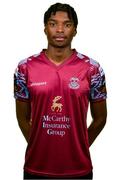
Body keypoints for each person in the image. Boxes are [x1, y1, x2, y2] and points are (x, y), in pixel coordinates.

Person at [14, 3, 107, 180]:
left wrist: (79, 145)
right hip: (36, 168)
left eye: (67, 24)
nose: (59, 29)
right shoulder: (25, 68)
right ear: (45, 29)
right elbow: (22, 117)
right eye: (53, 23)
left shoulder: (92, 69)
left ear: (75, 30)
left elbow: (100, 118)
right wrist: (38, 144)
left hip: (79, 169)